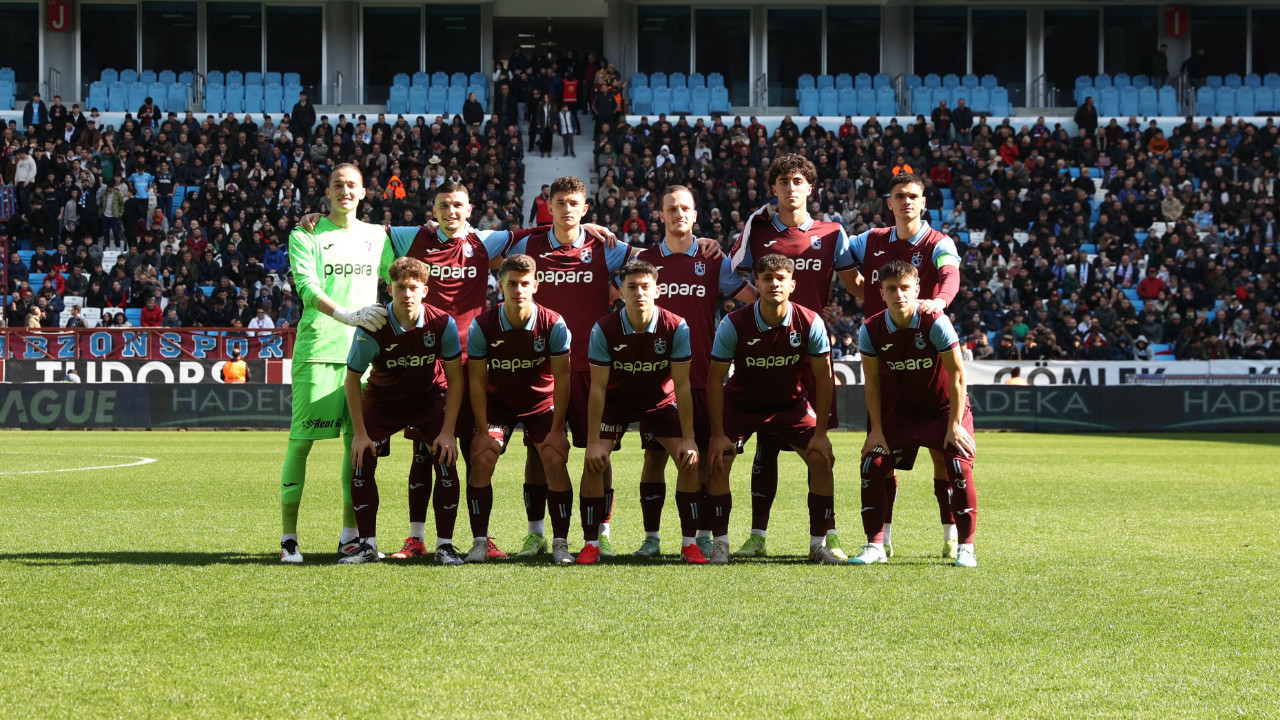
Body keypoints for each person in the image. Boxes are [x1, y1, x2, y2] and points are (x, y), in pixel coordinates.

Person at [506, 176, 723, 556]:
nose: (567, 209)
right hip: (545, 367)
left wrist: (696, 240)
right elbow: (491, 252)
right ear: (548, 205)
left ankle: (601, 534)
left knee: (601, 455)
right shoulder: (530, 245)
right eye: (561, 203)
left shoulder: (604, 248)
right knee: (539, 451)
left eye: (575, 203)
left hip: (594, 368)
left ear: (585, 207)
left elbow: (649, 254)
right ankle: (537, 532)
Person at [728, 154, 862, 561]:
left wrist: (898, 299)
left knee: (818, 450)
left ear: (810, 188)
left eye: (798, 181)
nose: (791, 187)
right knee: (764, 446)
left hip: (810, 352)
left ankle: (827, 536)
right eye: (784, 181)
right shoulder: (757, 227)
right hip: (763, 349)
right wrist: (762, 307)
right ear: (774, 187)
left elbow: (854, 284)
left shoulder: (832, 232)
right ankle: (757, 536)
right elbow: (730, 274)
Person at [628, 185, 757, 558]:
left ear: (695, 215)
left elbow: (752, 298)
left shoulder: (712, 258)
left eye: (685, 208)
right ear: (661, 215)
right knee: (654, 458)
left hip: (701, 376)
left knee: (699, 457)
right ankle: (651, 538)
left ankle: (700, 535)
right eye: (671, 208)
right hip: (655, 378)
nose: (678, 213)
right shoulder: (647, 260)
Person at [277, 163, 390, 564]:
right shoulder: (306, 233)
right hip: (320, 351)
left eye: (352, 185)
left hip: (363, 356)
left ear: (363, 192)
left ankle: (350, 537)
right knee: (301, 442)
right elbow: (307, 288)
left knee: (357, 447)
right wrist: (347, 315)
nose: (345, 191)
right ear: (327, 192)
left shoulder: (378, 236)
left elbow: (398, 275)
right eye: (338, 185)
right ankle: (289, 539)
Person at [847, 172, 963, 558]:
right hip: (886, 364)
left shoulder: (938, 242)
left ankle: (950, 536)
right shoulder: (869, 240)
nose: (907, 201)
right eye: (900, 195)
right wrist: (862, 291)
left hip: (927, 363)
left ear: (924, 202)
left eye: (913, 195)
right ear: (890, 202)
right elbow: (836, 257)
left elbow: (950, 274)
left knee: (942, 455)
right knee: (882, 456)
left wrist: (939, 302)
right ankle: (882, 541)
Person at [705, 254, 841, 566]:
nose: (774, 284)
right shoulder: (733, 323)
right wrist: (717, 434)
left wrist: (821, 433)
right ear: (757, 283)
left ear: (792, 285)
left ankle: (818, 545)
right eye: (767, 278)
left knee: (821, 459)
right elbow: (714, 379)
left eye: (781, 278)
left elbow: (824, 378)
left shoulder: (810, 321)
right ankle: (720, 544)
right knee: (718, 459)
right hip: (741, 404)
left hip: (790, 405)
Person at [852, 260, 979, 568]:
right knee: (872, 463)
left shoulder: (934, 321)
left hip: (944, 409)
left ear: (917, 289)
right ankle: (876, 546)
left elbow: (957, 375)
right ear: (881, 293)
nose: (899, 294)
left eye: (905, 288)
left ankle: (966, 548)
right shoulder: (870, 328)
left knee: (958, 464)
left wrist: (954, 426)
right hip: (904, 411)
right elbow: (872, 383)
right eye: (891, 289)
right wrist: (876, 431)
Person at [340, 257, 465, 565]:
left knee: (447, 459)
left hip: (428, 399)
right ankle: (367, 546)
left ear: (424, 290)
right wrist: (359, 434)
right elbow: (352, 380)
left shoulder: (442, 323)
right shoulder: (372, 328)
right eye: (400, 287)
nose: (407, 294)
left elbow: (456, 379)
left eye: (413, 287)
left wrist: (448, 432)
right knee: (361, 458)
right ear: (389, 289)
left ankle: (445, 547)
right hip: (383, 400)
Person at [576, 260, 701, 565]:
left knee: (688, 461)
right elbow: (598, 388)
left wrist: (689, 439)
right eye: (631, 287)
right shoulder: (604, 329)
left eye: (645, 286)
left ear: (657, 290)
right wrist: (592, 443)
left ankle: (689, 544)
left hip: (660, 402)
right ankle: (592, 543)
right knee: (594, 462)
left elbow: (682, 385)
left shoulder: (676, 326)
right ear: (620, 292)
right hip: (616, 403)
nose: (639, 293)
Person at [466, 254, 574, 564]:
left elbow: (562, 379)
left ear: (535, 285)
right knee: (482, 458)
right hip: (498, 406)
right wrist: (482, 431)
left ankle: (560, 543)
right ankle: (479, 542)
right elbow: (476, 382)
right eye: (512, 283)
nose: (518, 290)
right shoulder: (483, 325)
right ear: (501, 286)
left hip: (541, 405)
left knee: (554, 457)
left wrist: (558, 429)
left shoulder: (553, 323)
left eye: (525, 283)